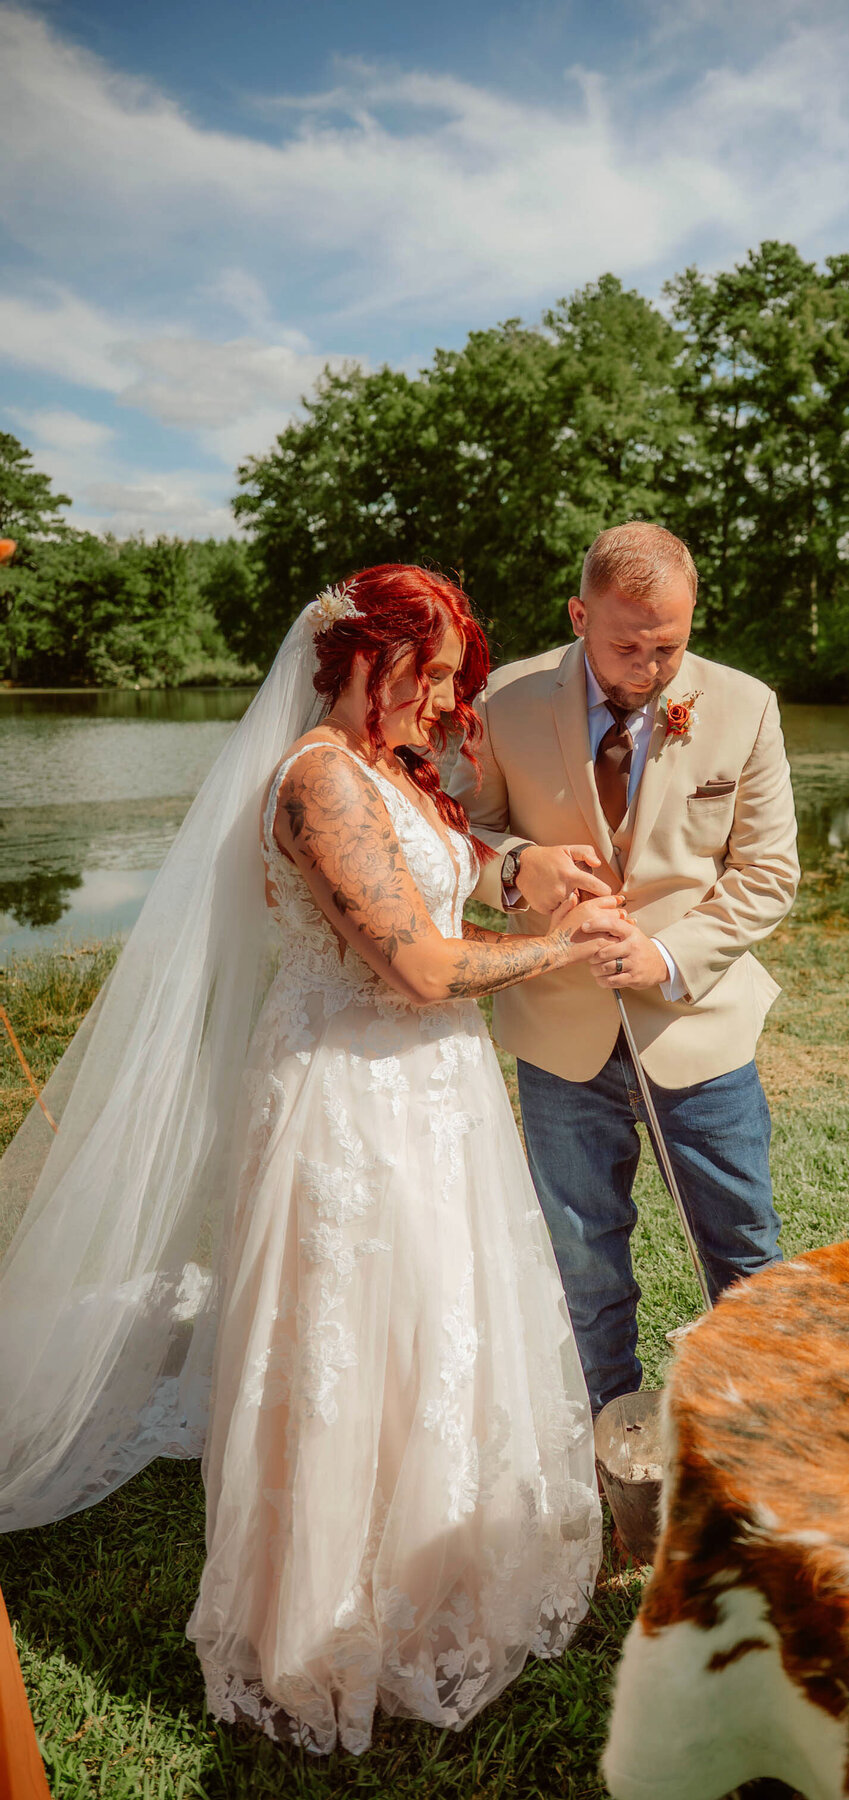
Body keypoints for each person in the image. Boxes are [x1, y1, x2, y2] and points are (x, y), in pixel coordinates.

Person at [0, 566, 621, 1755]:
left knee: (437, 1325)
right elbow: (424, 969)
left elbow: (438, 856)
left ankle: (445, 1563)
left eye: (449, 677)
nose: (441, 699)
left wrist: (511, 862)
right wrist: (555, 945)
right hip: (348, 1096)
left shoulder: (385, 770)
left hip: (431, 1092)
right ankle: (327, 1619)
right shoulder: (315, 783)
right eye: (425, 673)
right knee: (348, 1340)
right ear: (356, 659)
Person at [449, 522, 800, 1413]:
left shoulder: (746, 705)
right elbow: (465, 840)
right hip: (559, 1033)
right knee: (582, 1257)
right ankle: (607, 1449)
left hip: (699, 1026)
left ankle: (761, 1432)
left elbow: (769, 874)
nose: (651, 667)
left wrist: (668, 956)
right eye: (627, 645)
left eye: (670, 646)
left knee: (743, 1242)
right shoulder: (504, 700)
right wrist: (519, 869)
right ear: (579, 614)